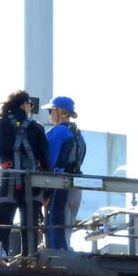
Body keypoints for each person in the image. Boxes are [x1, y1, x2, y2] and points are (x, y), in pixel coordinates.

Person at [0, 90, 49, 256]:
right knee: (29, 227)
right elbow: (46, 160)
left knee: (2, 226)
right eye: (30, 105)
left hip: (7, 181)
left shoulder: (0, 123)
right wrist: (48, 192)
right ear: (25, 104)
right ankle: (30, 260)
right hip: (33, 185)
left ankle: (1, 256)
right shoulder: (36, 128)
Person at [41, 95, 87, 250]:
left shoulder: (57, 132)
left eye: (50, 110)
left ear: (59, 111)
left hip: (60, 187)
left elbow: (49, 162)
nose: (49, 114)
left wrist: (46, 192)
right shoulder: (77, 133)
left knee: (56, 229)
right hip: (76, 187)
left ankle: (58, 263)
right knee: (66, 231)